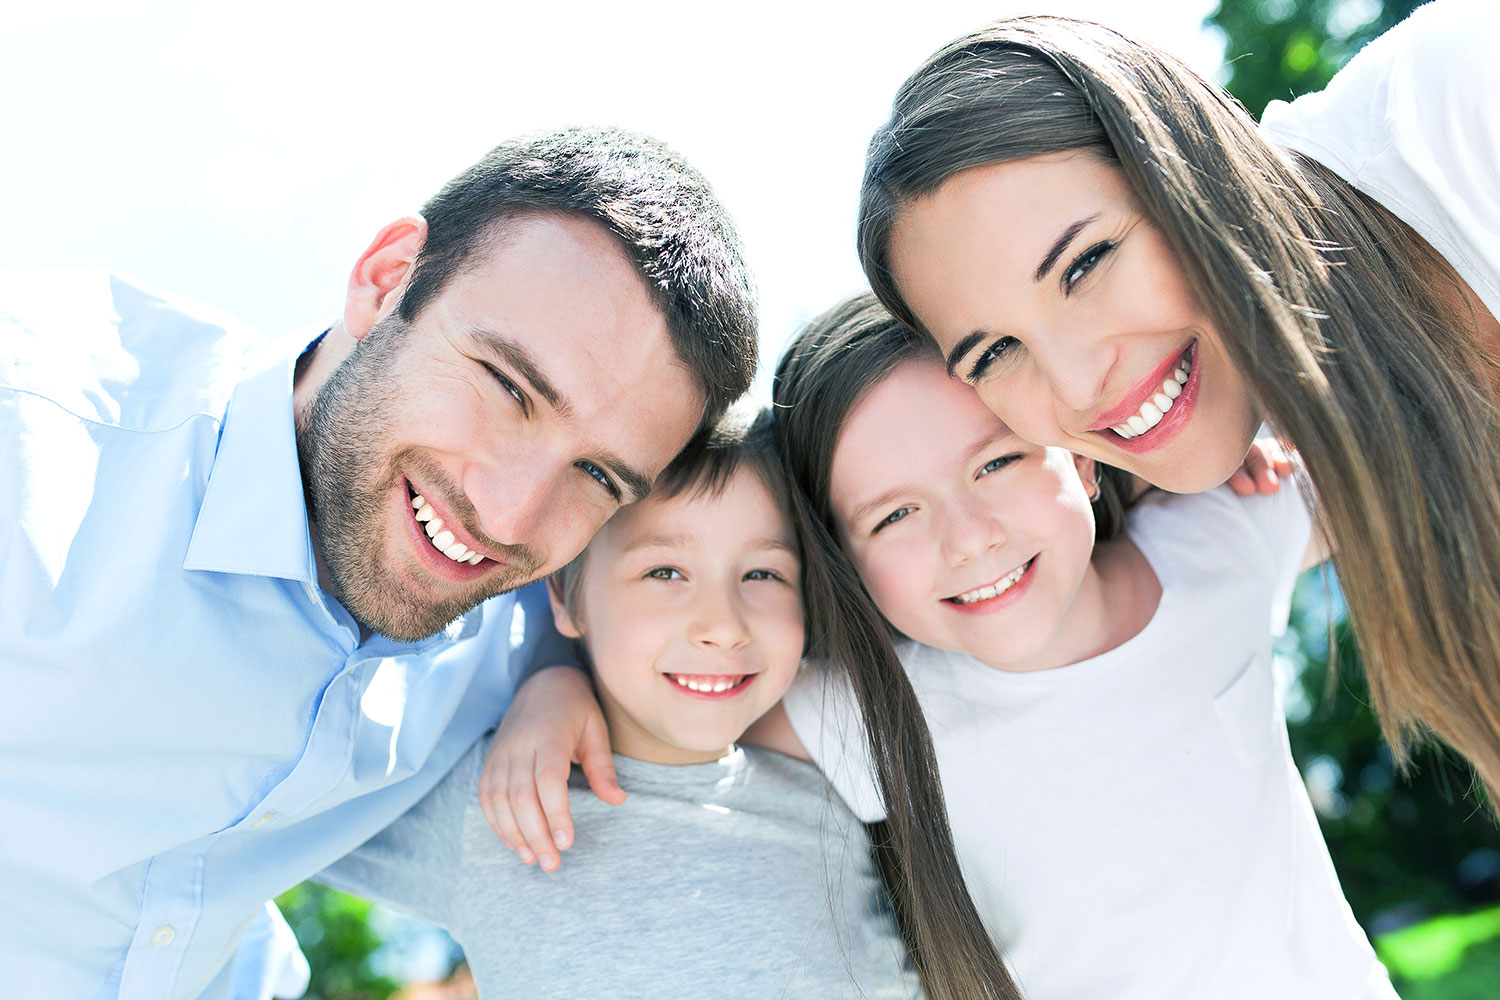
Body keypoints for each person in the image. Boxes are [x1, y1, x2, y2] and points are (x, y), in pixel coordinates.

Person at [0, 126, 757, 1000]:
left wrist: (559, 675)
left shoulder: (517, 624)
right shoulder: (35, 444)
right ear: (387, 278)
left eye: (595, 475)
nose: (508, 514)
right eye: (508, 388)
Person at [854, 2, 1500, 806]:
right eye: (996, 352)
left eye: (1085, 264)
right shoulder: (1350, 450)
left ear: (1184, 158)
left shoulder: (1467, 96)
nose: (1079, 386)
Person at [764, 293, 1394, 999]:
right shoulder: (874, 710)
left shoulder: (1215, 541)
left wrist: (1215, 426)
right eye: (896, 514)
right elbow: (667, 720)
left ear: (1084, 456)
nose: (971, 537)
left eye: (997, 463)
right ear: (847, 562)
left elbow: (1413, 433)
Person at [324, 406, 1004, 999]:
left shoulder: (836, 757)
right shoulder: (497, 802)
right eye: (664, 572)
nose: (723, 624)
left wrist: (555, 679)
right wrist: (548, 677)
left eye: (763, 573)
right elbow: (250, 800)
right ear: (562, 597)